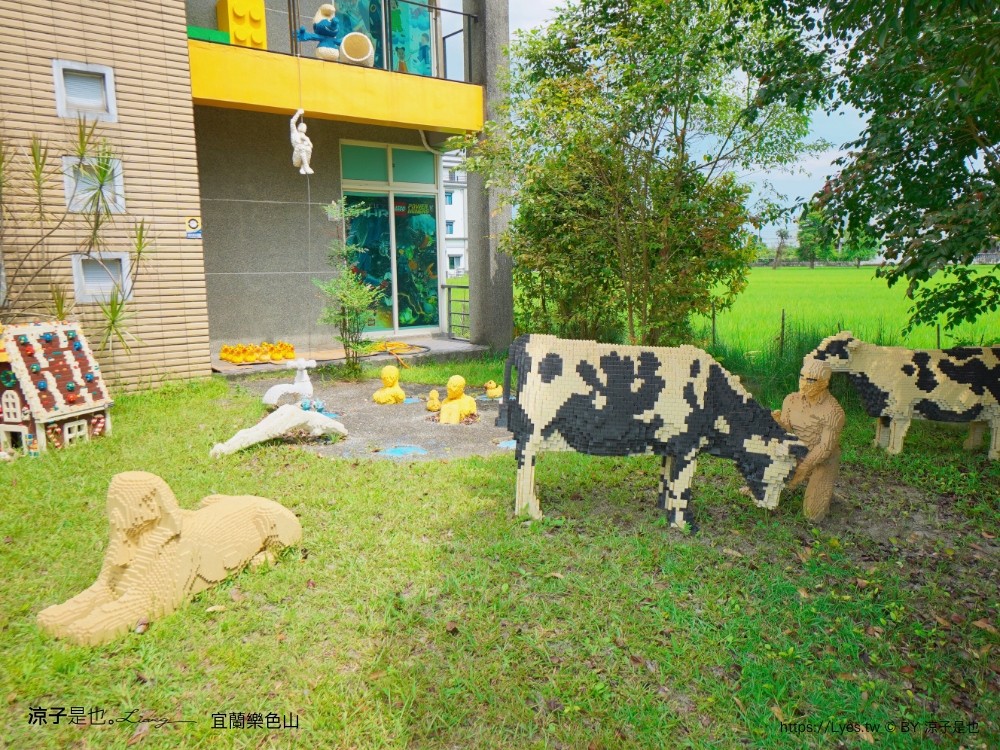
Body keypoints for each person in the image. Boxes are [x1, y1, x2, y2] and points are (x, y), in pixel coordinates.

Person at [772, 358, 846, 521]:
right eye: (802, 377)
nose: (804, 383)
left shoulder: (833, 412)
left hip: (822, 460)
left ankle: (823, 492)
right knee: (760, 449)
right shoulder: (791, 400)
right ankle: (759, 486)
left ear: (824, 383)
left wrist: (802, 469)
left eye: (811, 380)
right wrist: (778, 424)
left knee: (813, 515)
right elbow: (787, 431)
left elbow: (825, 448)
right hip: (796, 450)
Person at [290, 109, 314, 175]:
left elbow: (311, 146)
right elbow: (292, 122)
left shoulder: (306, 137)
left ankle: (303, 167)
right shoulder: (295, 133)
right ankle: (306, 167)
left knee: (308, 148)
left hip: (305, 161)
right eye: (303, 127)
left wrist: (307, 141)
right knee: (300, 146)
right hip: (296, 160)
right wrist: (298, 113)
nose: (304, 128)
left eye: (305, 127)